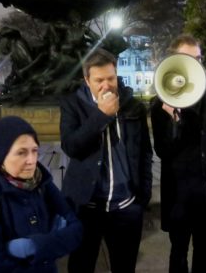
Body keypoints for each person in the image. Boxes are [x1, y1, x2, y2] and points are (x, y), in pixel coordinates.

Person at [59, 48, 153, 273]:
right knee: (81, 265)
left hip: (126, 208)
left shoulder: (132, 105)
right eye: (99, 80)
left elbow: (145, 153)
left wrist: (143, 195)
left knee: (125, 266)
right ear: (87, 80)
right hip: (87, 207)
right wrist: (101, 115)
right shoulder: (73, 104)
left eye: (110, 78)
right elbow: (71, 146)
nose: (106, 85)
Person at [150, 34, 206, 273]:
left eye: (198, 58)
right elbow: (163, 150)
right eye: (189, 58)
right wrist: (173, 120)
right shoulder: (160, 106)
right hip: (179, 191)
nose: (195, 64)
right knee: (178, 250)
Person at [0, 116, 83, 273]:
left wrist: (32, 247)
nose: (31, 160)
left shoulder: (42, 183)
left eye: (35, 150)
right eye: (21, 153)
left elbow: (77, 231)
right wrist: (55, 242)